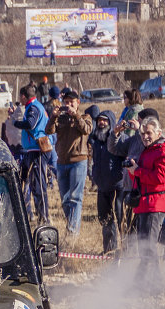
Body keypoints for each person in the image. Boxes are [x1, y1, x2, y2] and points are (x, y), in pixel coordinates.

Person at [46, 88, 92, 237]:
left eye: (71, 102)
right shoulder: (61, 118)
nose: (68, 105)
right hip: (61, 162)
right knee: (65, 200)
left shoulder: (85, 116)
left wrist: (76, 115)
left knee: (75, 198)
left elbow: (86, 130)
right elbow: (48, 131)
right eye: (66, 103)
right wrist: (53, 117)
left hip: (79, 161)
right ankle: (71, 225)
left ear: (78, 103)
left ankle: (72, 232)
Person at [109, 109, 157, 237]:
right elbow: (114, 149)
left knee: (142, 230)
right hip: (129, 186)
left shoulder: (155, 141)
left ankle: (138, 253)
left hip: (145, 190)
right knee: (126, 225)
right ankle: (128, 252)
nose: (137, 123)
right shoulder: (134, 139)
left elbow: (149, 147)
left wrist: (139, 130)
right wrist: (115, 133)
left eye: (140, 121)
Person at [130, 116, 165, 285]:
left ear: (159, 132)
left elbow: (160, 178)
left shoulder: (162, 150)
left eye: (149, 133)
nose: (145, 136)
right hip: (143, 204)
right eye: (143, 133)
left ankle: (150, 285)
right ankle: (148, 284)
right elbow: (142, 177)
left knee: (149, 246)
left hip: (155, 204)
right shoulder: (148, 150)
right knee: (143, 246)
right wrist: (132, 170)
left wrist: (137, 171)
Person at [13, 84, 51, 225]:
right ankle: (40, 215)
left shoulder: (34, 107)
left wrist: (16, 123)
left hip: (37, 150)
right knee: (33, 184)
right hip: (32, 149)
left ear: (24, 96)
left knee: (39, 185)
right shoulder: (34, 106)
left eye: (20, 97)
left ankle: (44, 217)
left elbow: (30, 124)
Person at [89, 110, 122, 254]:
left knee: (121, 219)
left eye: (105, 120)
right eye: (99, 120)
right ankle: (109, 250)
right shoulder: (96, 139)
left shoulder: (119, 138)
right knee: (105, 218)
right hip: (102, 185)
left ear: (111, 122)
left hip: (118, 184)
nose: (101, 123)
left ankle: (127, 249)